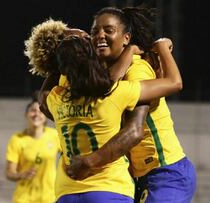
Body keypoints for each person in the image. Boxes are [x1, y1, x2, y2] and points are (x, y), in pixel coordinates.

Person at [67, 7, 196, 203]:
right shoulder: (99, 72)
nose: (100, 35)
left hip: (164, 171)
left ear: (126, 38)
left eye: (108, 30)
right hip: (137, 177)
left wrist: (89, 161)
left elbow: (134, 129)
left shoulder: (137, 68)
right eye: (95, 32)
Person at [43, 33, 181, 203]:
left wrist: (54, 60)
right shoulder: (114, 95)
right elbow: (174, 82)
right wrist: (159, 48)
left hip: (67, 192)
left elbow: (44, 96)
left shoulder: (55, 98)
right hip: (109, 189)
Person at [5, 93, 61, 203]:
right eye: (33, 111)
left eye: (40, 111)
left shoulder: (54, 135)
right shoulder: (17, 139)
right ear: (26, 114)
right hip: (24, 198)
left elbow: (69, 156)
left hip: (48, 198)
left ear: (45, 117)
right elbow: (9, 173)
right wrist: (21, 174)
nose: (36, 114)